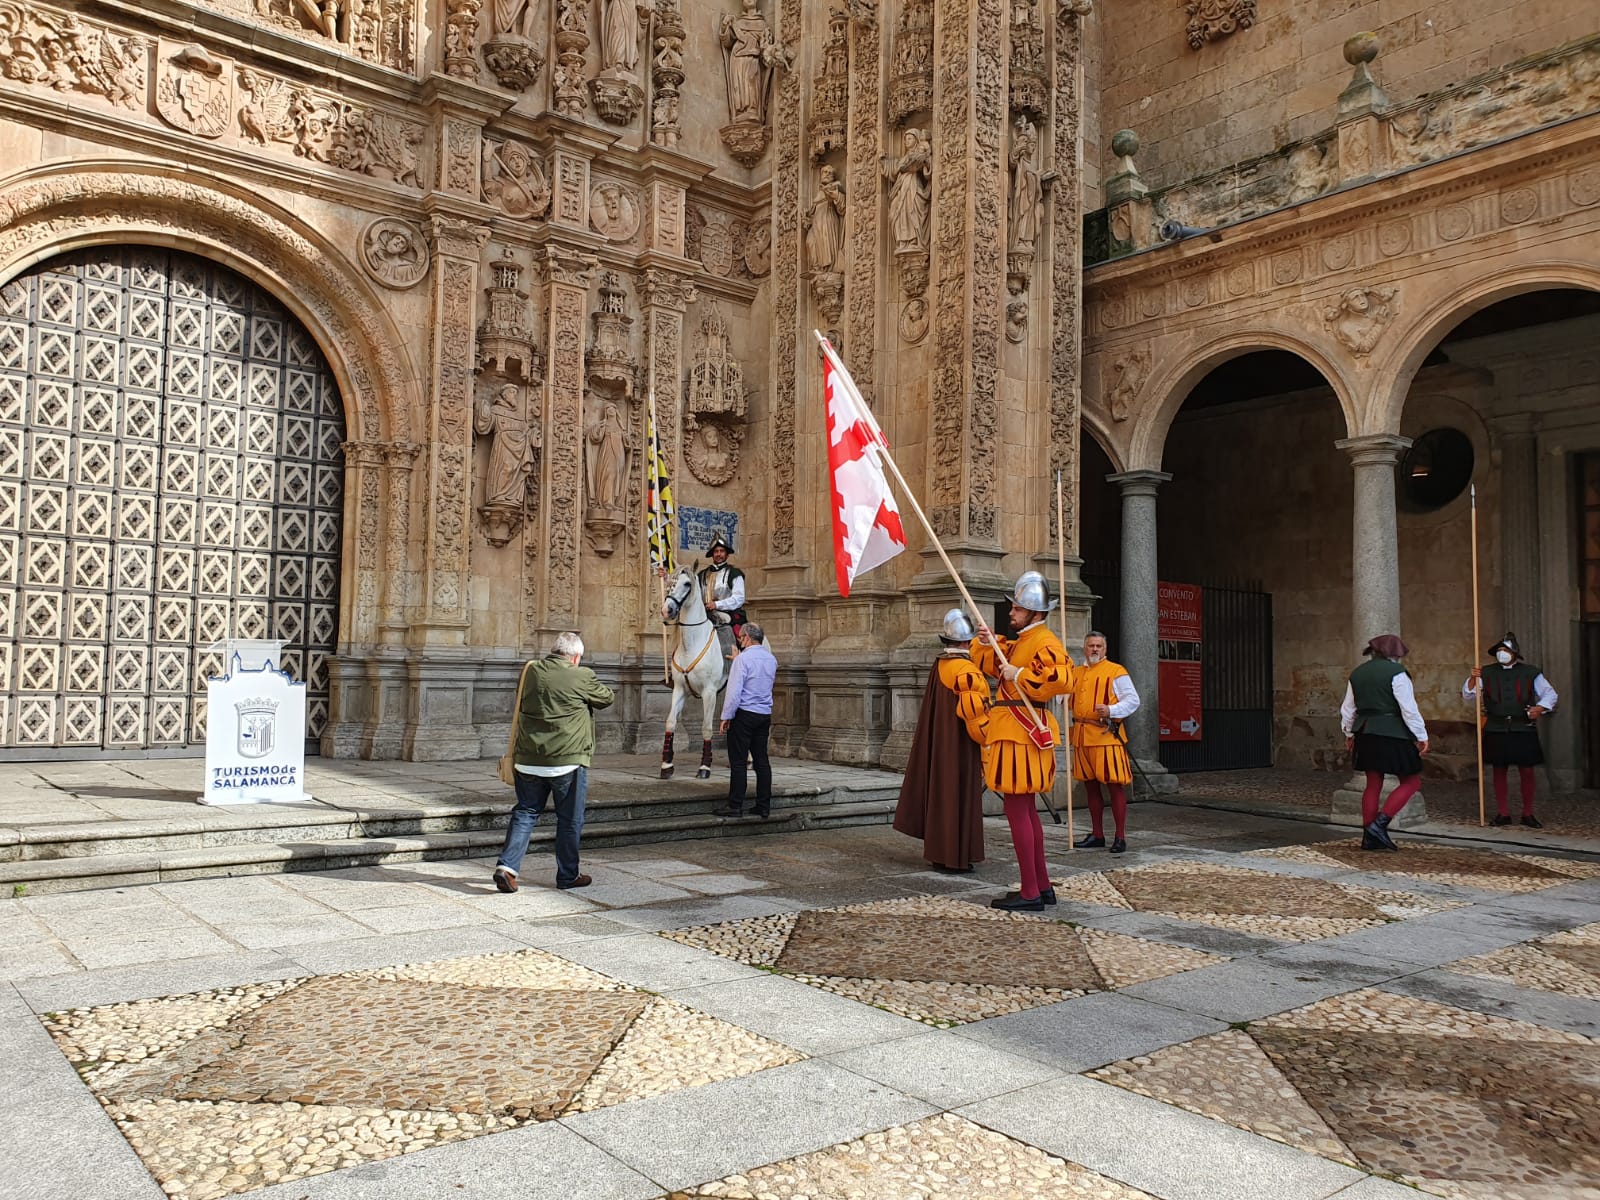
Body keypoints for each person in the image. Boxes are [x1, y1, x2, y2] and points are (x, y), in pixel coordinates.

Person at [973, 571, 1073, 912]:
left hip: (1021, 734)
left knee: (1018, 810)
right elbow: (998, 661)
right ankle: (1041, 887)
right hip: (1017, 731)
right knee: (1025, 810)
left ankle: (1030, 891)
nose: (1011, 612)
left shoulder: (1045, 641)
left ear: (1035, 613)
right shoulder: (1027, 640)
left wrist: (1023, 676)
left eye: (1017, 608)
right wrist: (988, 642)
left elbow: (1062, 679)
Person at [492, 632, 615, 894]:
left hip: (528, 759)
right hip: (567, 761)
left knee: (525, 812)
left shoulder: (531, 671)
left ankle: (507, 868)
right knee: (569, 819)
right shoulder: (581, 675)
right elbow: (606, 698)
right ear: (576, 656)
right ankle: (568, 875)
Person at [894, 609, 992, 873]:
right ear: (965, 642)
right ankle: (955, 856)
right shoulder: (965, 670)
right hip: (960, 744)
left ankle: (941, 852)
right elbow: (975, 715)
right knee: (955, 794)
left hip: (943, 743)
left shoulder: (940, 665)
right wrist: (990, 736)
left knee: (942, 793)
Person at [1340, 633, 1429, 851]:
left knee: (1373, 783)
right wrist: (1421, 735)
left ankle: (1368, 835)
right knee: (1411, 782)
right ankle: (1378, 826)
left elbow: (1348, 709)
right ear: (1393, 654)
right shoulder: (1397, 673)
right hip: (1393, 733)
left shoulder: (1358, 673)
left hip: (1365, 732)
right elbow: (1408, 708)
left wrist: (1349, 733)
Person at [1464, 632, 1558, 828]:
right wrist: (1473, 679)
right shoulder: (1486, 672)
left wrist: (1539, 709)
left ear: (1514, 653)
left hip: (1522, 726)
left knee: (1527, 770)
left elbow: (1550, 694)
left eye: (1505, 650)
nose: (1502, 653)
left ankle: (1528, 813)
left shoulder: (1531, 672)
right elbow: (1469, 697)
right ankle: (1503, 812)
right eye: (1499, 650)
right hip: (1496, 726)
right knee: (1498, 769)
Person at [1067, 630, 1141, 854]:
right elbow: (1061, 695)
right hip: (1081, 735)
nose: (1095, 649)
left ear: (1105, 649)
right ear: (1084, 648)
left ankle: (1120, 836)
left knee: (1114, 785)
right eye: (1091, 645)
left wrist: (1111, 709)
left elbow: (1133, 700)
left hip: (1105, 736)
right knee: (1090, 787)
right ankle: (1097, 834)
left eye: (1099, 645)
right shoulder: (1076, 673)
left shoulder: (1116, 671)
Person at [713, 623, 776, 819]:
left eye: (740, 638)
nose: (739, 641)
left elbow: (733, 692)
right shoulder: (771, 659)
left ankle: (735, 805)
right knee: (762, 761)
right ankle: (763, 805)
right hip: (764, 714)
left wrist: (726, 716)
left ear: (747, 638)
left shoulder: (743, 660)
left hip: (744, 714)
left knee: (738, 761)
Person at [697, 532, 747, 658]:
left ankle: (739, 661)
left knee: (742, 639)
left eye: (722, 551)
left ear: (727, 554)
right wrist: (666, 577)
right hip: (703, 614)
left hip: (728, 614)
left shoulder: (734, 573)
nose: (719, 554)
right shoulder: (701, 575)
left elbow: (739, 598)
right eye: (716, 551)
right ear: (712, 554)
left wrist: (717, 604)